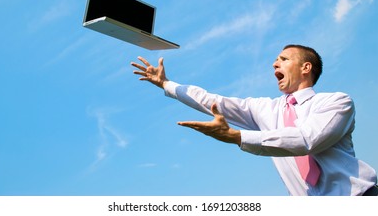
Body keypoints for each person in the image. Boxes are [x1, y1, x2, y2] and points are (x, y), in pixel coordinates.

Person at [131, 44, 377, 196]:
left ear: (306, 68)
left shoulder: (336, 102)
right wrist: (167, 84)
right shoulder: (265, 109)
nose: (274, 63)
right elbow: (212, 100)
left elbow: (308, 139)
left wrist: (238, 137)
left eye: (283, 59)